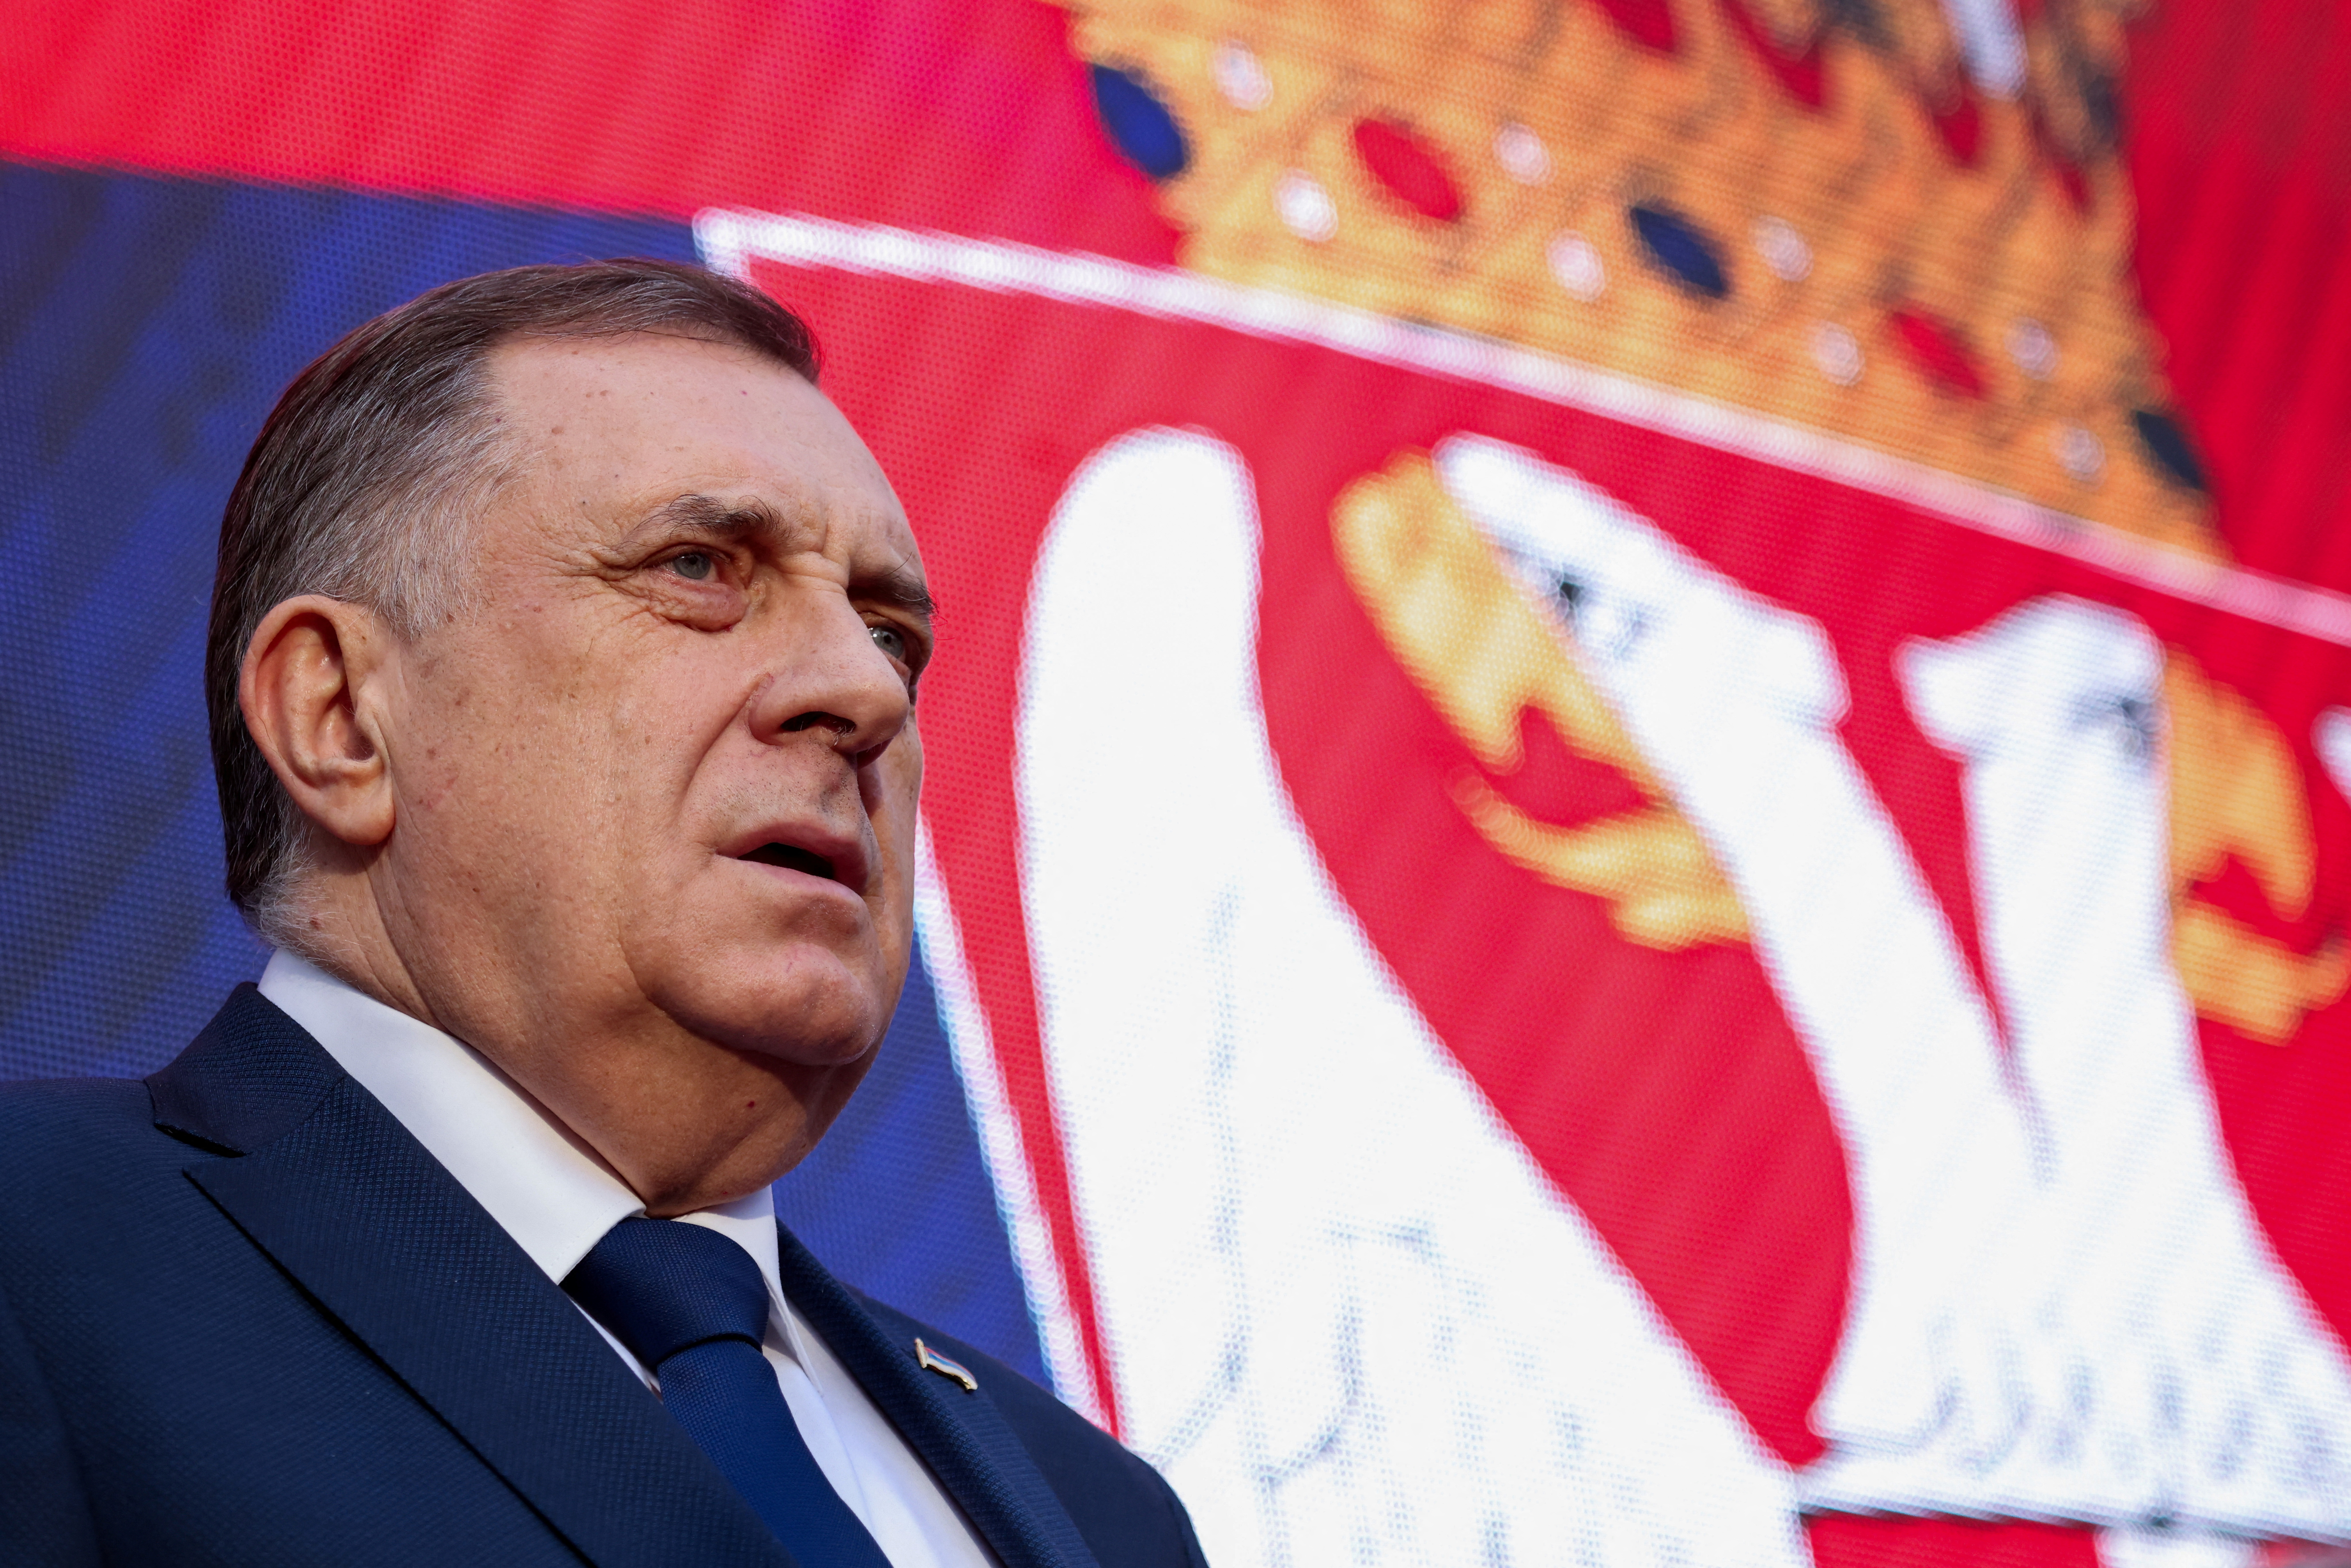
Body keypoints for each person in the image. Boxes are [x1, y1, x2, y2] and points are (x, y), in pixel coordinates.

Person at [0, 259, 1208, 1568]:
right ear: (341, 718)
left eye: (889, 632)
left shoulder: (1099, 1511)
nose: (864, 695)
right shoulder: (37, 1257)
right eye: (698, 567)